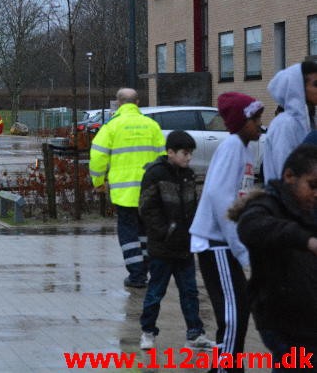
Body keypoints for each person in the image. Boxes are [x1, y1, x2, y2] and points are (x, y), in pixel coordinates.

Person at [189, 91, 264, 373]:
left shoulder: (245, 148)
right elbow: (220, 196)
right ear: (240, 122)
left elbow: (238, 194)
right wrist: (237, 244)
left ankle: (224, 366)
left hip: (226, 242)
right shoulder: (232, 146)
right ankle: (227, 369)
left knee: (235, 307)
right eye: (255, 119)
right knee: (234, 313)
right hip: (217, 242)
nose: (260, 124)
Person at [230, 143, 317, 372]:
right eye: (312, 185)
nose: (316, 193)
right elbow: (251, 227)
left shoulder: (309, 210)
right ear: (290, 176)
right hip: (281, 322)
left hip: (308, 323)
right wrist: (306, 240)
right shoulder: (266, 206)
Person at [138, 130, 216, 351]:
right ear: (170, 152)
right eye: (185, 153)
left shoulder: (188, 175)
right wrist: (164, 231)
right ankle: (148, 331)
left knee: (190, 292)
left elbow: (193, 207)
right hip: (162, 247)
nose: (189, 157)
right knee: (155, 292)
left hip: (184, 246)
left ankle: (195, 334)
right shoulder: (155, 174)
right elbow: (146, 208)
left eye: (191, 153)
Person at [90, 88, 166, 288]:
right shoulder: (152, 126)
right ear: (138, 102)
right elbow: (163, 157)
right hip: (150, 191)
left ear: (118, 103)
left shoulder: (112, 127)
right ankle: (145, 270)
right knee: (145, 232)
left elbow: (97, 157)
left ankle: (136, 275)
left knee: (128, 233)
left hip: (124, 193)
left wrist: (98, 182)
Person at [263, 61, 317, 182]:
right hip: (285, 198)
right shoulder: (284, 124)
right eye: (316, 84)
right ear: (299, 88)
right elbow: (284, 168)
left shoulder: (308, 121)